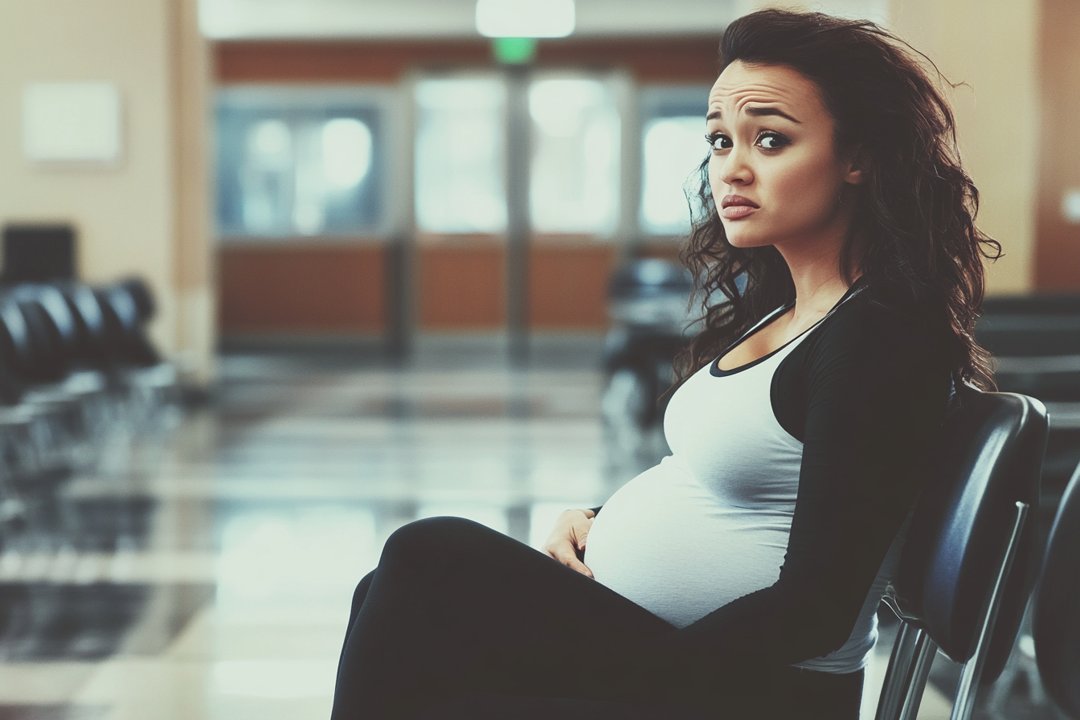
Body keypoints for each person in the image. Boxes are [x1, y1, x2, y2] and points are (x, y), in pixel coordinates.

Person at [330, 8, 1002, 719]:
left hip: (746, 690)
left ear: (858, 156)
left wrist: (626, 670)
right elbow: (732, 487)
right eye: (719, 140)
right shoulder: (789, 311)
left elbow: (818, 610)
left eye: (770, 140)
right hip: (682, 663)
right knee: (387, 593)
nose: (731, 168)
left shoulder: (881, 338)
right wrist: (599, 519)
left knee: (425, 559)